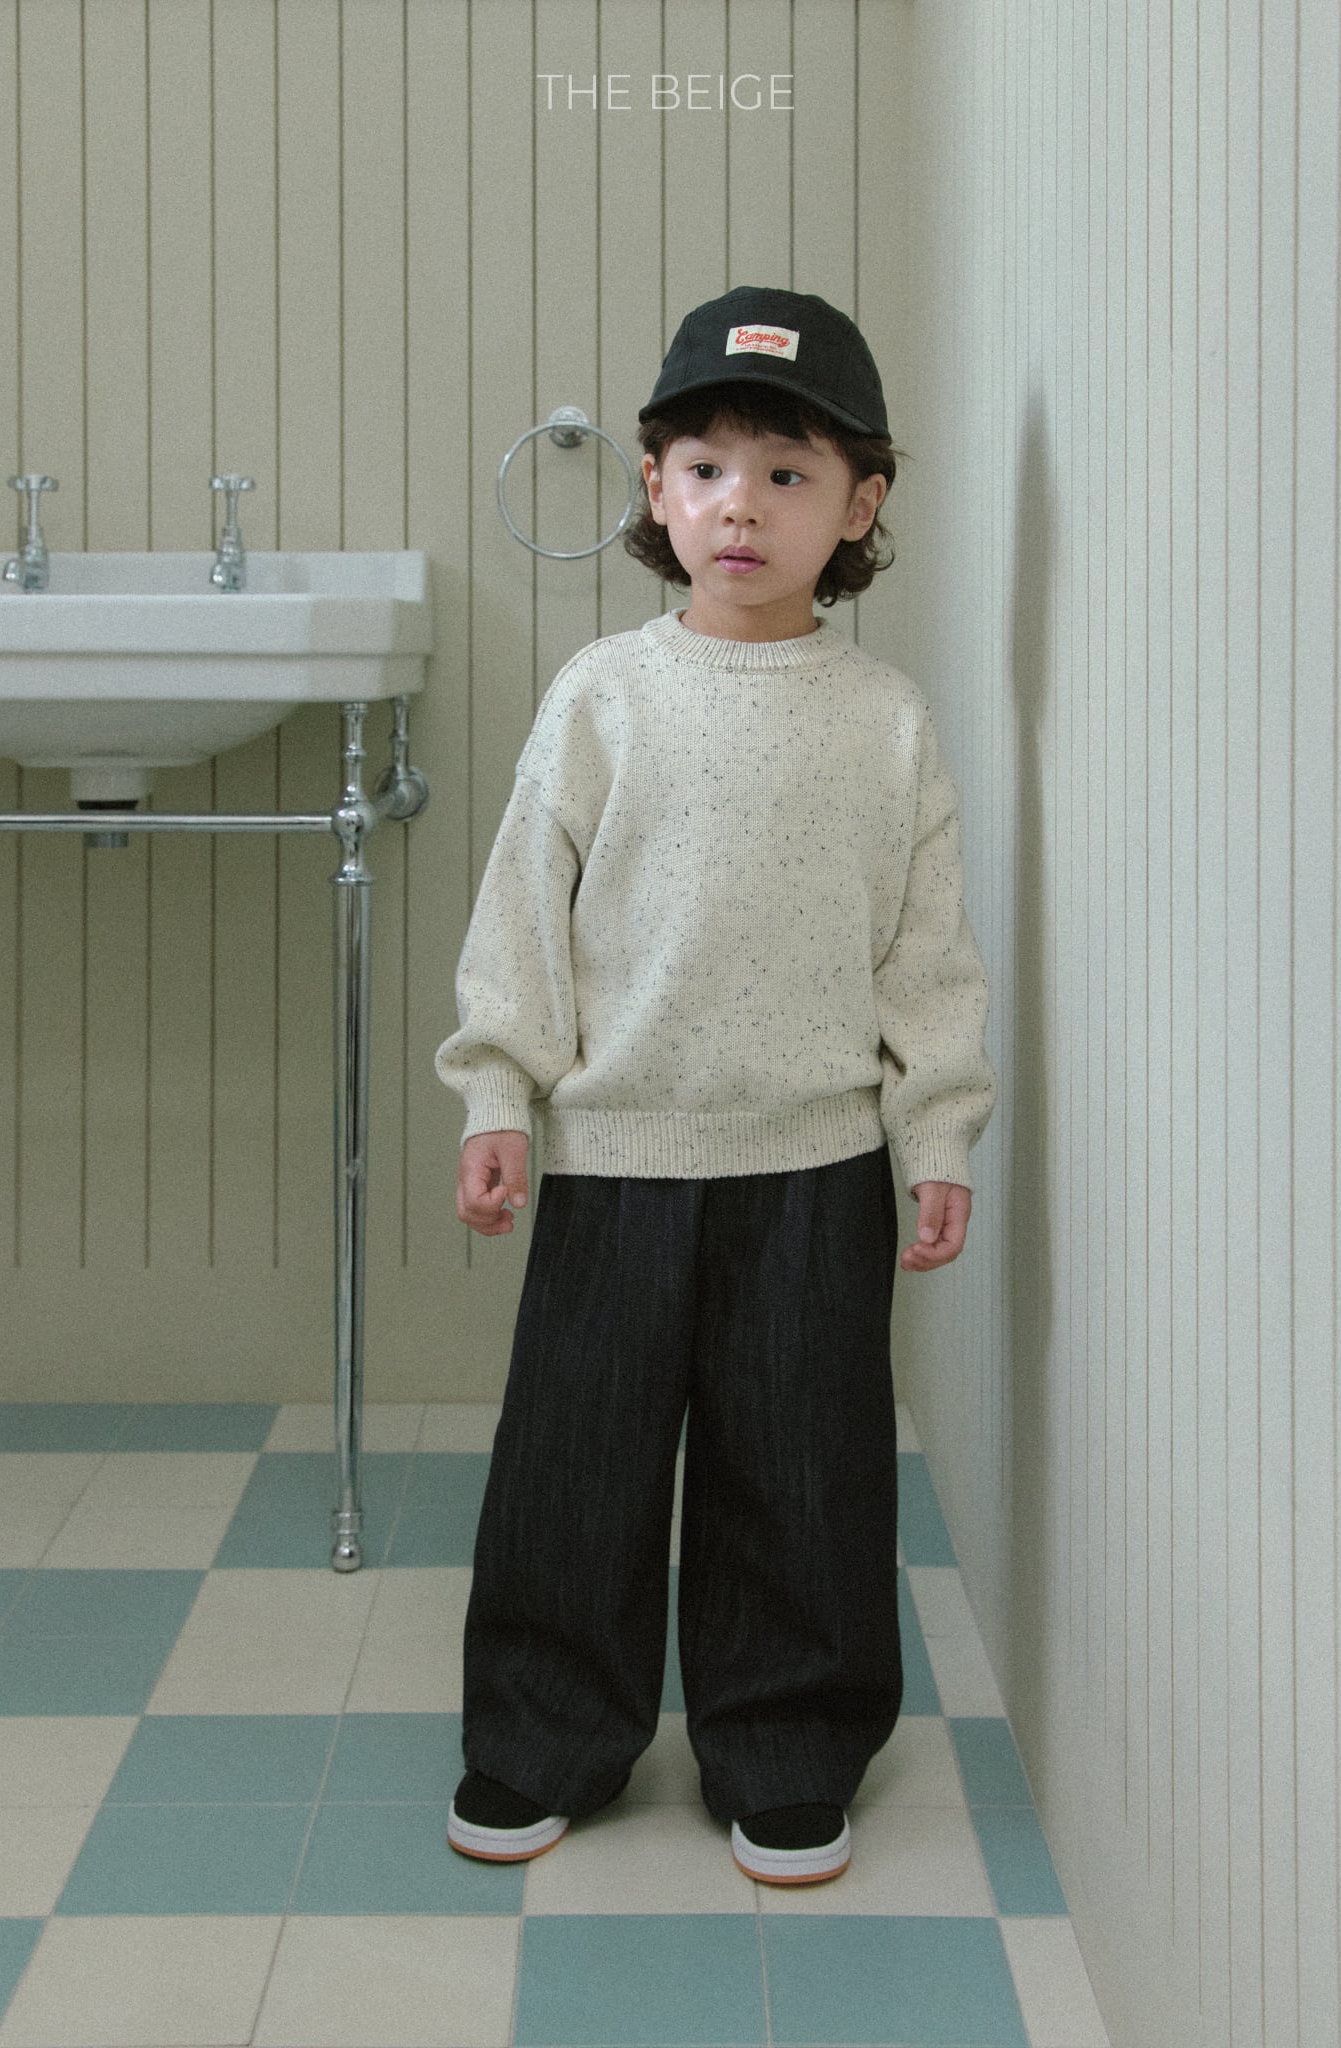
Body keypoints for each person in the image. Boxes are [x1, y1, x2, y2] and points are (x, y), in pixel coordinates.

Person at [434, 285, 996, 1886]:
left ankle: (787, 1746)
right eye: (703, 469)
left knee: (802, 1476)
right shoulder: (601, 695)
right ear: (652, 487)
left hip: (814, 1163)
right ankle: (543, 1738)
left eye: (785, 472)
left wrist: (935, 1133)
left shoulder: (884, 721)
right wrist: (499, 1098)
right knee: (576, 1467)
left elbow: (924, 957)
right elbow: (521, 915)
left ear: (860, 504)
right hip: (615, 1154)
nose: (738, 505)